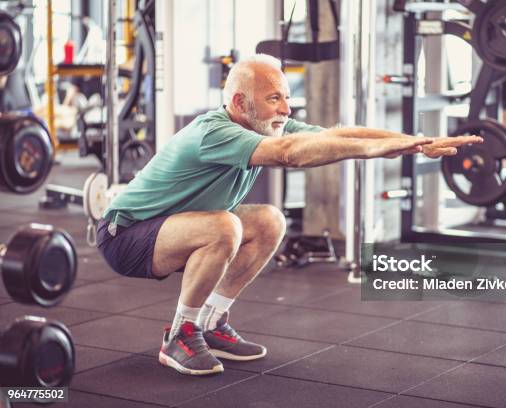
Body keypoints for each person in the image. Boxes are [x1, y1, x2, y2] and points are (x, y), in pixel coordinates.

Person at [96, 54, 482, 376]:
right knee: (225, 226)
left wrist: (416, 143)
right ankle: (180, 335)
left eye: (286, 97)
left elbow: (336, 136)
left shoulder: (267, 123)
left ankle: (211, 323)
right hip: (126, 235)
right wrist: (376, 152)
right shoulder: (213, 132)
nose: (286, 108)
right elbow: (290, 154)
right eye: (273, 99)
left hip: (176, 228)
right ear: (239, 105)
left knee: (268, 221)